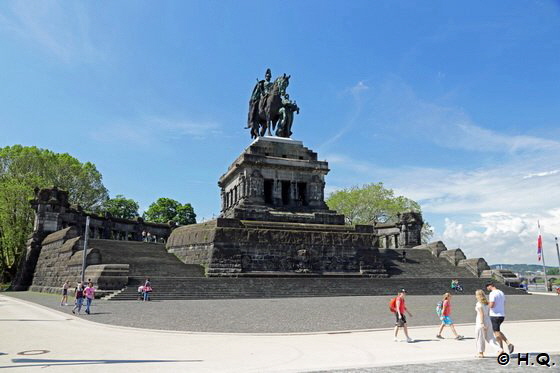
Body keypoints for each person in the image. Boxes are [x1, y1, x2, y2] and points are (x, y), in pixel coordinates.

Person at [486, 282, 514, 353]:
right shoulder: (501, 292)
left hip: (494, 315)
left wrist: (486, 306)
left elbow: (492, 305)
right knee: (497, 331)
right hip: (501, 314)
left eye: (487, 286)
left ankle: (508, 344)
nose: (487, 288)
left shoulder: (492, 293)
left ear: (490, 286)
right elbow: (504, 302)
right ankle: (501, 349)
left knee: (496, 333)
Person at [474, 289, 502, 358]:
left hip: (481, 321)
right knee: (490, 338)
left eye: (476, 295)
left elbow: (481, 314)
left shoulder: (479, 304)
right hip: (488, 320)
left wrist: (481, 323)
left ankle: (480, 353)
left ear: (478, 296)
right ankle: (499, 349)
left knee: (480, 337)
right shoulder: (486, 303)